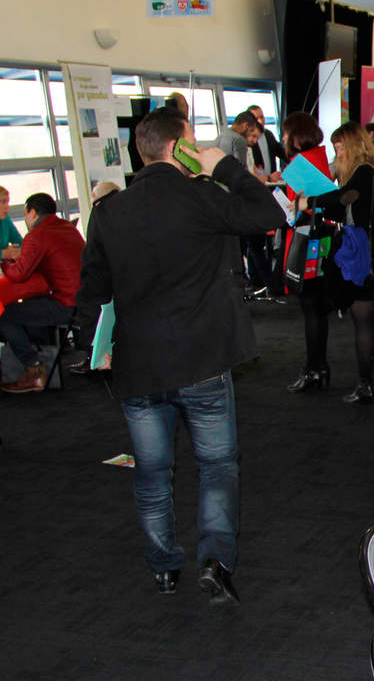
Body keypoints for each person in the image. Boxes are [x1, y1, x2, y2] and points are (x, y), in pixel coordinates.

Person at [73, 106, 285, 603]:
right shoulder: (203, 197)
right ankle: (215, 562)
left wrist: (92, 347)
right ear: (178, 147)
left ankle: (163, 568)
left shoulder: (108, 212)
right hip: (202, 360)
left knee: (152, 473)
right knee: (217, 466)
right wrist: (224, 167)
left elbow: (92, 291)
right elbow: (271, 214)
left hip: (138, 364)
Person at [297, 122, 374, 404]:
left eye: (340, 148)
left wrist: (309, 201)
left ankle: (367, 384)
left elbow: (343, 199)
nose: (337, 154)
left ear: (351, 146)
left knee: (364, 322)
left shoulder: (363, 172)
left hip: (367, 259)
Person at [0, 193, 85, 392]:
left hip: (66, 304)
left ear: (32, 213)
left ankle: (35, 369)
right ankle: (43, 363)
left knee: (4, 314)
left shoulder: (38, 234)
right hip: (84, 301)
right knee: (31, 303)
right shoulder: (67, 228)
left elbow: (20, 273)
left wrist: (4, 263)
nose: (7, 206)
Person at [279, 111, 337, 394]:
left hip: (307, 242)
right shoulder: (319, 157)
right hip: (320, 240)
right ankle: (317, 368)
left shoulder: (301, 164)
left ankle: (315, 369)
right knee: (316, 309)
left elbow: (300, 207)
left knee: (311, 309)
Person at [0, 185, 22, 258]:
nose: (7, 206)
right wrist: (3, 253)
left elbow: (20, 243)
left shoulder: (5, 219)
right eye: (3, 202)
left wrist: (13, 251)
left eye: (7, 202)